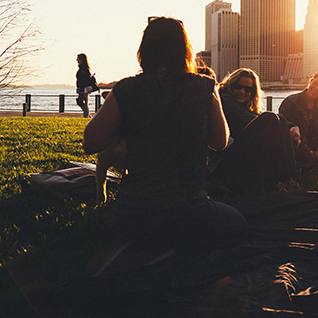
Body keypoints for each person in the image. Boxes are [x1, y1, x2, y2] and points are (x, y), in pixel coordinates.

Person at [83, 17, 247, 257]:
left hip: (134, 215)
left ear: (144, 50)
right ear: (185, 50)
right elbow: (220, 141)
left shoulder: (125, 89)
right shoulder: (205, 87)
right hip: (188, 212)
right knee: (238, 223)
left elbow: (91, 143)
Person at [213, 68, 299, 197]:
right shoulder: (225, 100)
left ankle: (288, 179)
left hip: (237, 156)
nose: (242, 92)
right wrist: (281, 129)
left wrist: (293, 126)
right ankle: (284, 179)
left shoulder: (242, 105)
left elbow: (256, 116)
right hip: (224, 162)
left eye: (248, 89)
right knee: (270, 119)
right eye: (238, 87)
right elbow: (250, 120)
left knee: (279, 118)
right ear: (230, 85)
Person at [75, 53, 96, 118]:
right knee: (83, 101)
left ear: (81, 59)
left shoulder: (83, 69)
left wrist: (81, 89)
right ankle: (87, 114)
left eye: (78, 59)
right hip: (83, 87)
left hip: (84, 88)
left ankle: (86, 115)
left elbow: (83, 80)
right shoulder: (83, 68)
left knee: (82, 101)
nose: (77, 60)